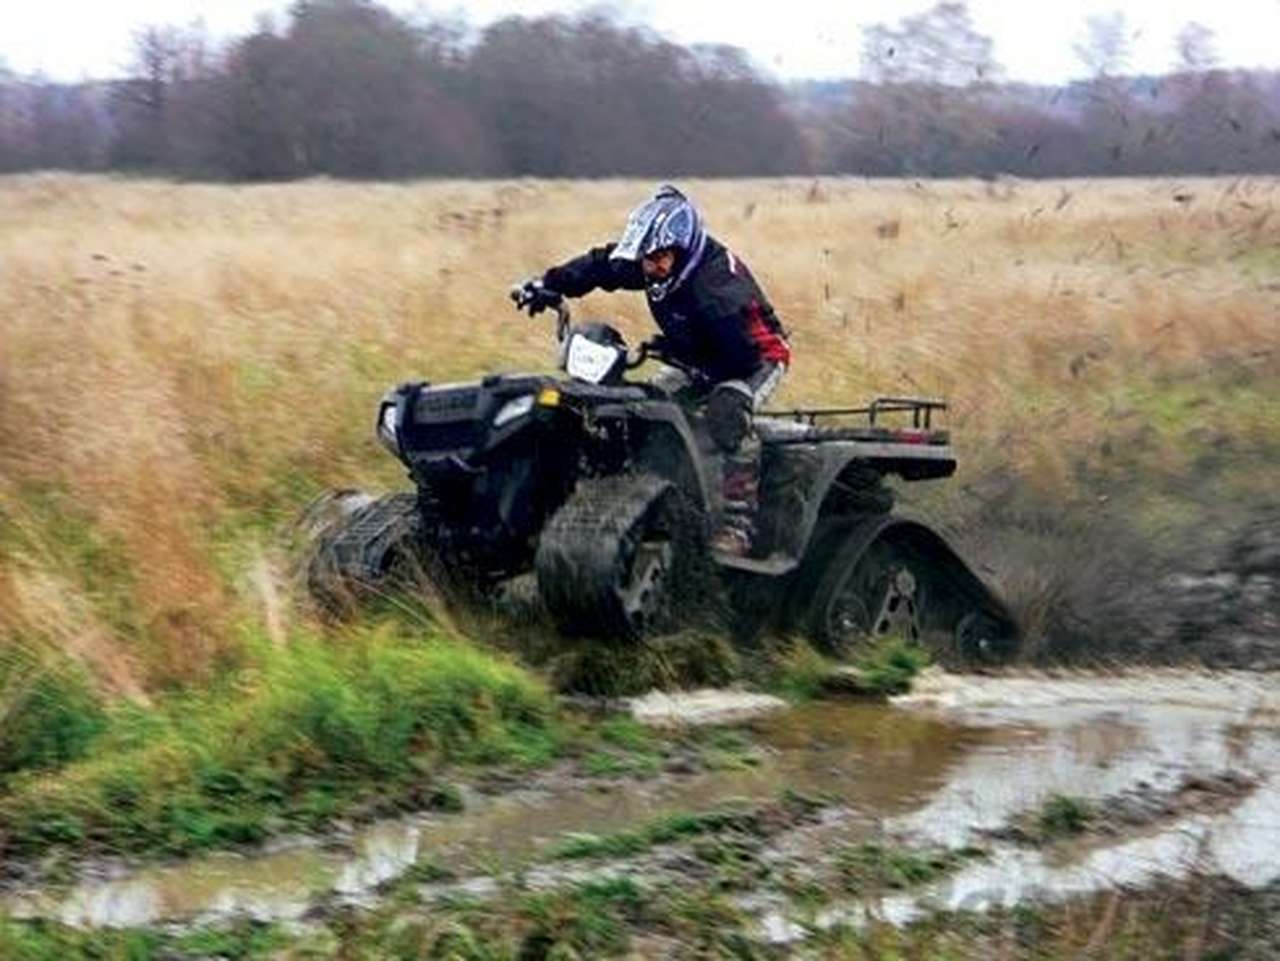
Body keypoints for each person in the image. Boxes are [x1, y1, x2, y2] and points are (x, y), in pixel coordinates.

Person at [514, 184, 791, 557]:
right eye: (647, 258)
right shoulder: (653, 263)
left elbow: (736, 360)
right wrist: (547, 285)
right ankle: (650, 494)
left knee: (728, 415)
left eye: (661, 258)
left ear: (685, 248)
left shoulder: (718, 293)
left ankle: (736, 525)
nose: (652, 266)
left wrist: (679, 354)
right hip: (697, 355)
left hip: (755, 357)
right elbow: (600, 266)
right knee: (649, 407)